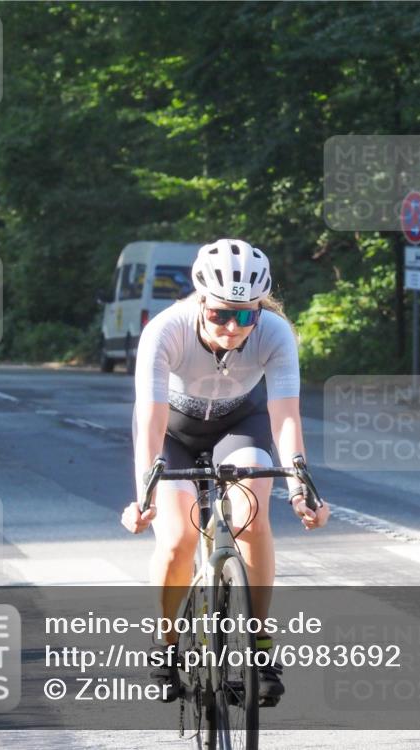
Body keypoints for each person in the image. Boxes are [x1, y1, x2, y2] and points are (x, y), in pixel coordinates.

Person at [120, 238, 329, 706]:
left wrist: (301, 490)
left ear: (260, 309)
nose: (233, 327)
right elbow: (151, 422)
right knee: (177, 540)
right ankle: (166, 644)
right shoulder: (164, 331)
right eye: (219, 315)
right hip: (172, 433)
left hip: (241, 425)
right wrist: (144, 498)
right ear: (199, 300)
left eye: (245, 315)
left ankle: (258, 646)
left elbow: (286, 418)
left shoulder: (274, 333)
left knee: (252, 520)